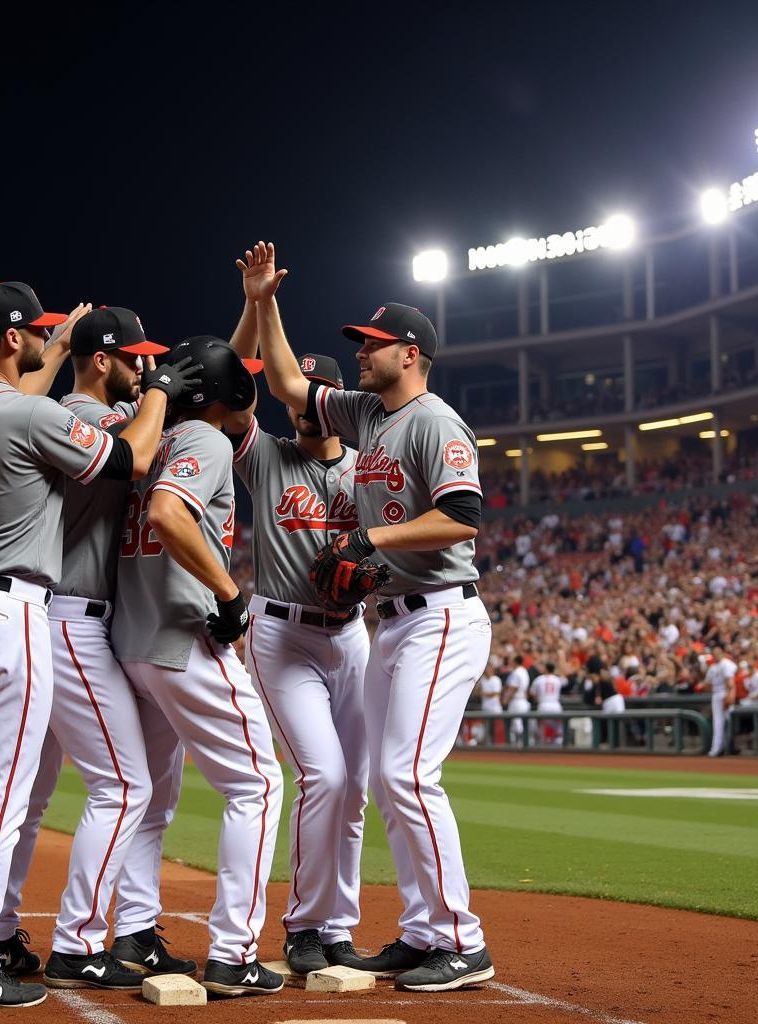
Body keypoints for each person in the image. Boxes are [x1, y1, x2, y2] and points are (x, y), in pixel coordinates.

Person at [0, 281, 184, 1011]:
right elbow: (128, 459)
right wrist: (157, 391)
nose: (43, 337)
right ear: (11, 339)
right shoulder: (34, 413)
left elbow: (19, 392)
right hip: (10, 614)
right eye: (32, 330)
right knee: (1, 804)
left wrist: (62, 343)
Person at [256, 256, 495, 993]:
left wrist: (369, 540)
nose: (361, 351)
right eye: (360, 343)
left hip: (440, 617)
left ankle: (462, 940)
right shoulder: (366, 414)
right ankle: (424, 933)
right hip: (389, 622)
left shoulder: (434, 422)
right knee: (387, 782)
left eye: (373, 343)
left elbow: (461, 518)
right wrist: (264, 303)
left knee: (405, 774)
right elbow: (287, 385)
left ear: (410, 353)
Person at [0, 307, 201, 990]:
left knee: (30, 794)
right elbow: (142, 452)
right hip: (70, 620)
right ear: (103, 361)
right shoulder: (90, 422)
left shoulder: (45, 413)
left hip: (43, 616)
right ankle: (79, 940)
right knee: (124, 784)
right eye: (136, 358)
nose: (147, 368)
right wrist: (166, 392)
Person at [113, 337, 286, 997]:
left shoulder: (151, 439)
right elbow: (166, 513)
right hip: (184, 639)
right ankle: (234, 953)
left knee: (154, 801)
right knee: (258, 786)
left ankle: (132, 930)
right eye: (242, 382)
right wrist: (229, 592)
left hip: (132, 642)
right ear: (227, 394)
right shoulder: (207, 442)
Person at [224, 241, 369, 976]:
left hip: (353, 640)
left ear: (331, 400)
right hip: (281, 636)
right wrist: (260, 300)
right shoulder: (264, 456)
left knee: (356, 788)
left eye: (309, 395)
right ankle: (304, 928)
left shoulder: (369, 467)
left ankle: (337, 924)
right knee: (325, 776)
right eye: (292, 396)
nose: (298, 405)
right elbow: (227, 388)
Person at [704, 646, 737, 757]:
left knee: (725, 722)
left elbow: (731, 683)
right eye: (714, 653)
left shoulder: (726, 664)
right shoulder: (713, 667)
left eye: (718, 652)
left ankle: (723, 748)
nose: (716, 655)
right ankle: (719, 748)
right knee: (719, 722)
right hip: (717, 694)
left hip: (724, 694)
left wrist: (729, 696)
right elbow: (707, 684)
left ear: (722, 653)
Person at [529, 661, 565, 745]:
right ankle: (558, 742)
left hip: (543, 704)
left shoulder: (539, 679)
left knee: (542, 725)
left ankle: (542, 743)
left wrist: (538, 699)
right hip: (555, 705)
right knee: (558, 726)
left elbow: (532, 693)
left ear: (546, 669)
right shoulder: (557, 679)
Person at [503, 655, 531, 746]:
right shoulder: (524, 671)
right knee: (520, 724)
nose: (510, 662)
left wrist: (506, 700)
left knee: (517, 725)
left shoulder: (516, 672)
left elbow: (513, 688)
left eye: (511, 660)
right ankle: (522, 743)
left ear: (515, 662)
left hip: (516, 701)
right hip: (523, 700)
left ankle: (520, 745)